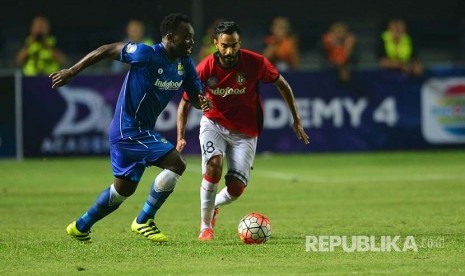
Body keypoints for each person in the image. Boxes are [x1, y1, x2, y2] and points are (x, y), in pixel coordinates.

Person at [50, 13, 210, 243]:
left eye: (192, 38)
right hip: (128, 130)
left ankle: (80, 226)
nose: (191, 43)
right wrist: (71, 72)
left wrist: (202, 101)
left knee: (122, 190)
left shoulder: (184, 64)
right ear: (170, 37)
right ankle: (144, 220)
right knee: (176, 163)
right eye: (186, 38)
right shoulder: (146, 54)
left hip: (138, 131)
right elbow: (106, 49)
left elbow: (195, 96)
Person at [176, 21, 309, 241]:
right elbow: (184, 103)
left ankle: (214, 204)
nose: (229, 51)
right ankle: (205, 227)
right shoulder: (205, 68)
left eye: (234, 45)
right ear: (216, 44)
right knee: (214, 167)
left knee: (236, 188)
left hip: (245, 131)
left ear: (240, 44)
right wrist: (180, 137)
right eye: (225, 46)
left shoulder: (255, 62)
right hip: (214, 124)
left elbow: (283, 85)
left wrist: (297, 120)